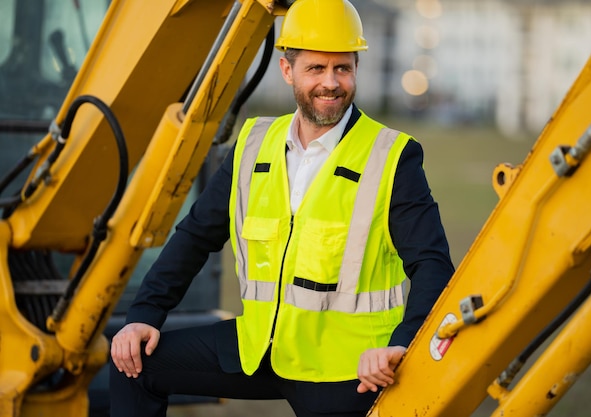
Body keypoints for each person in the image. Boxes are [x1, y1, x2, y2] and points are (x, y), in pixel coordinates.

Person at [109, 0, 455, 416]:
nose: (331, 82)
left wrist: (401, 344)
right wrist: (144, 314)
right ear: (287, 70)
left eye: (342, 68)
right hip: (259, 349)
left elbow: (432, 264)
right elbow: (196, 235)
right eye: (316, 69)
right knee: (134, 363)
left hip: (345, 368)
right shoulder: (254, 144)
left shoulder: (392, 156)